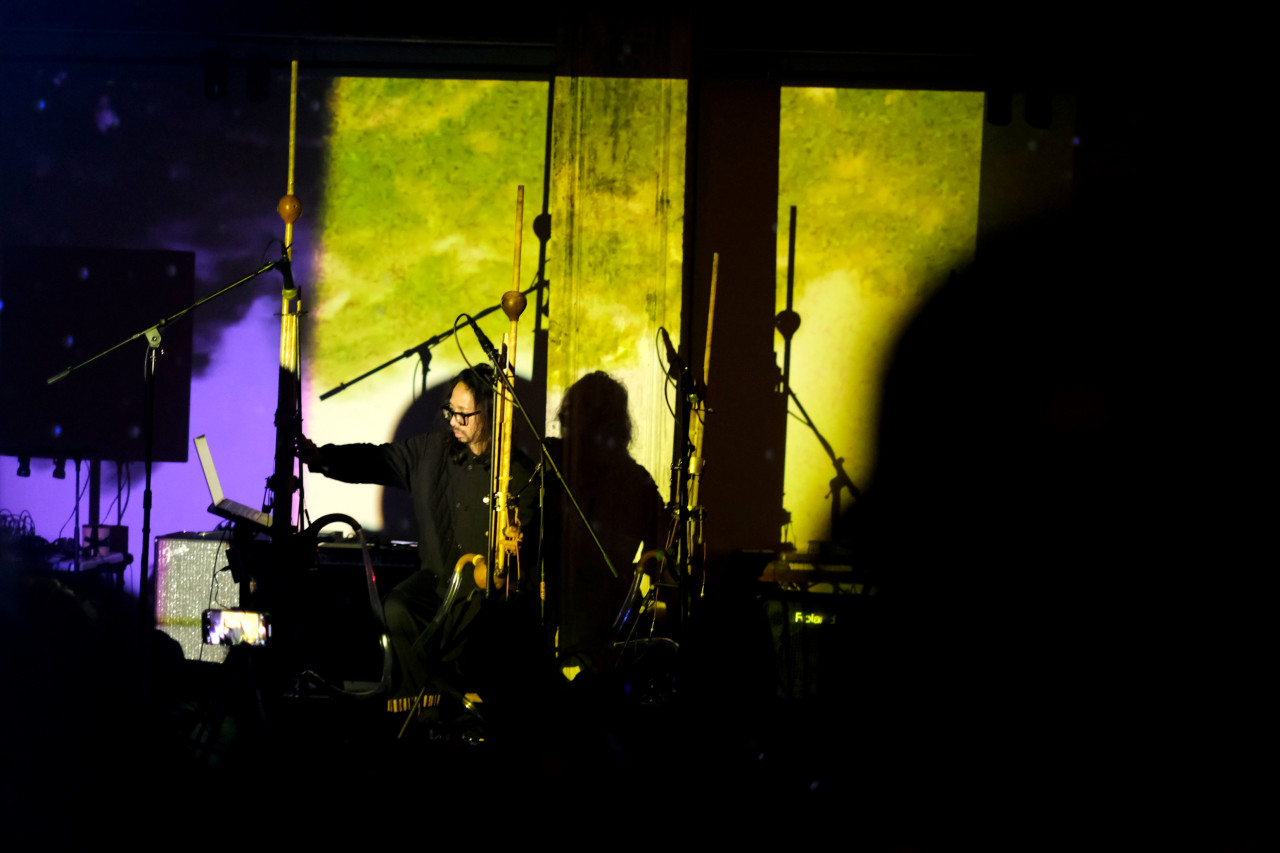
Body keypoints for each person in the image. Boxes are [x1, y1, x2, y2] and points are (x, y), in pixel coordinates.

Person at [296, 364, 540, 702]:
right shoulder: (432, 451)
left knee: (489, 637)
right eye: (450, 412)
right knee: (396, 608)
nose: (454, 421)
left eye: (463, 415)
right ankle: (419, 710)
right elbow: (378, 459)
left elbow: (517, 558)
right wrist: (322, 457)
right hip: (437, 585)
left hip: (482, 603)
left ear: (490, 413)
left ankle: (455, 709)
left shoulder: (518, 475)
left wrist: (509, 552)